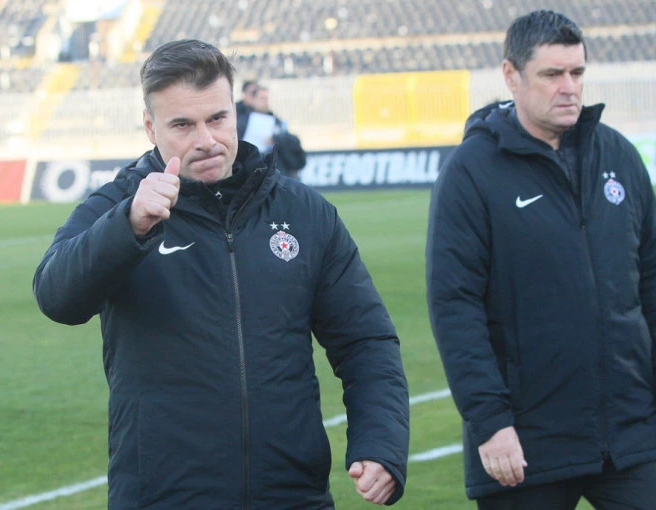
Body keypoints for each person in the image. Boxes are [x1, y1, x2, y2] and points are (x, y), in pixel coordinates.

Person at [33, 39, 409, 509]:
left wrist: (380, 441)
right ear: (150, 128)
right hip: (165, 497)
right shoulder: (121, 206)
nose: (207, 140)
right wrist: (127, 226)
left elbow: (365, 340)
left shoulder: (303, 211)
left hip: (292, 495)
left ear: (234, 112)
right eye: (182, 125)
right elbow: (56, 297)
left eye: (217, 118)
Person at [426, 10, 656, 510]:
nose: (569, 87)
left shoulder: (616, 154)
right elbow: (454, 305)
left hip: (627, 431)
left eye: (577, 72)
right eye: (552, 74)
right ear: (511, 75)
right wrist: (490, 423)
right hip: (525, 441)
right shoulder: (471, 172)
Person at [240, 83, 307, 179]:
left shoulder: (277, 122)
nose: (265, 102)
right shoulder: (242, 121)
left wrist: (276, 139)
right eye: (262, 98)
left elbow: (292, 142)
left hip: (275, 171)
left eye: (267, 98)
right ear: (253, 100)